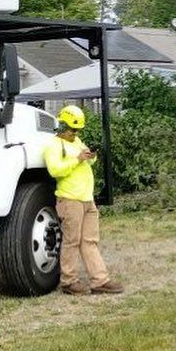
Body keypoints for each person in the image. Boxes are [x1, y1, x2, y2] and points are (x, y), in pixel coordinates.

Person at [43, 104, 123, 296]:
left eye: (77, 129)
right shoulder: (53, 145)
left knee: (90, 241)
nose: (75, 133)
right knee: (72, 241)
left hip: (87, 199)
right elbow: (55, 170)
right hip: (70, 200)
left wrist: (90, 156)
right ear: (62, 125)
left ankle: (100, 281)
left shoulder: (77, 141)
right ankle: (69, 282)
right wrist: (77, 159)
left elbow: (89, 159)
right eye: (72, 129)